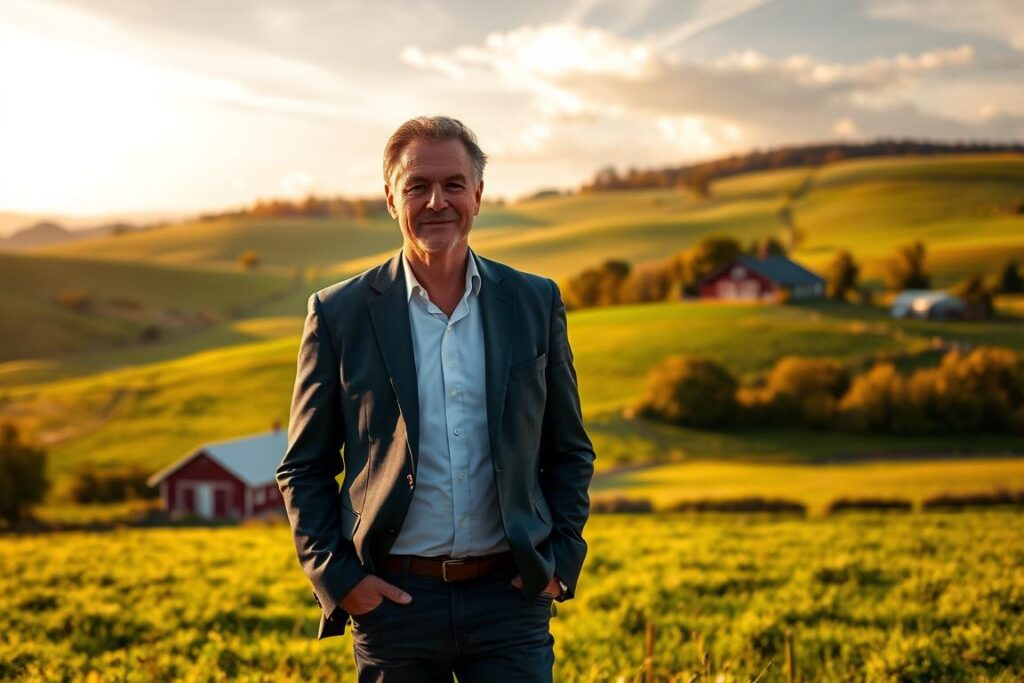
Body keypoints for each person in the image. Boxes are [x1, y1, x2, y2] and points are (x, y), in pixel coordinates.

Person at [276, 115, 595, 682]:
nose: (436, 202)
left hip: (511, 602)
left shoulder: (534, 301)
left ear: (478, 193)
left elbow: (569, 449)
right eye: (417, 186)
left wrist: (560, 562)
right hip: (395, 606)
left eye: (452, 184)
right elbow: (304, 467)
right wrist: (341, 580)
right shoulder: (338, 313)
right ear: (391, 199)